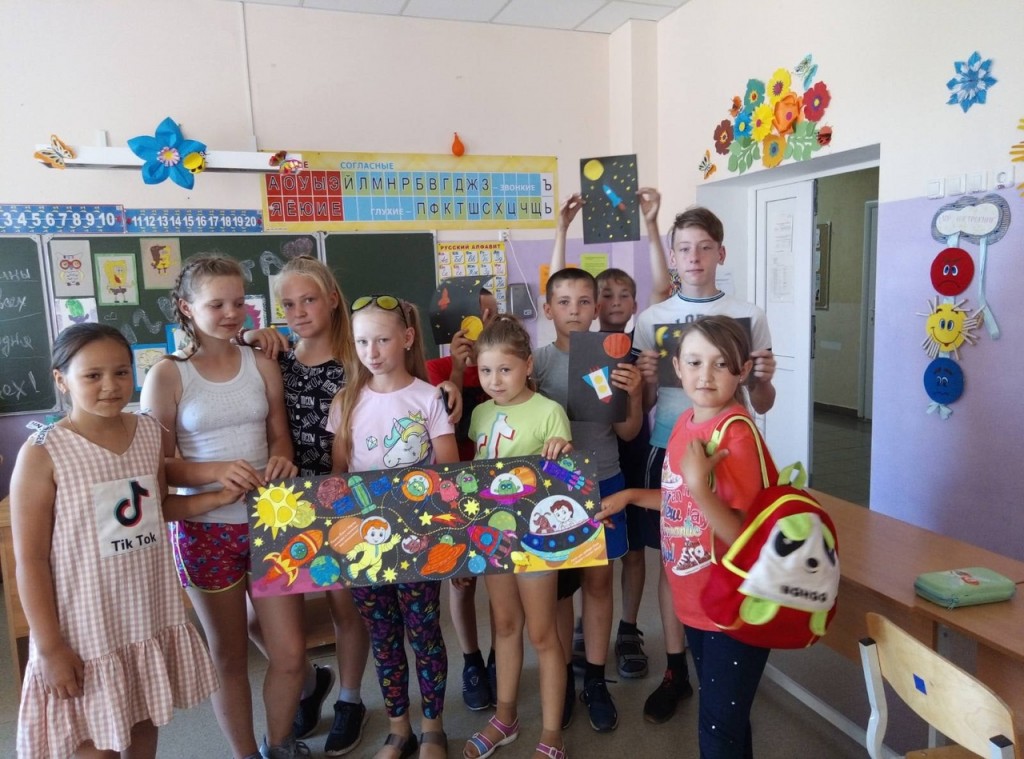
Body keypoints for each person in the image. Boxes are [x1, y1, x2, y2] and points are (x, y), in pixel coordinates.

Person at [11, 323, 219, 759]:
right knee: (96, 740)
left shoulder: (148, 432)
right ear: (61, 379)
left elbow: (157, 506)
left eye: (121, 372)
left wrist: (219, 497)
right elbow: (30, 559)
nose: (110, 386)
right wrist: (49, 646)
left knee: (142, 723)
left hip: (143, 612)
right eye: (93, 375)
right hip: (86, 625)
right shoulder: (43, 451)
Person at [141, 255, 305, 759]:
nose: (232, 313)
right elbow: (158, 466)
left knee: (291, 653)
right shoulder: (167, 375)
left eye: (239, 303)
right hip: (204, 529)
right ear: (186, 308)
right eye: (217, 304)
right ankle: (246, 754)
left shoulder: (261, 363)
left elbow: (279, 436)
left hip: (269, 523)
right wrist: (215, 472)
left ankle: (280, 744)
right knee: (229, 658)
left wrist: (281, 460)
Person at [596, 315, 773, 759]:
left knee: (717, 732)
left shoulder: (735, 435)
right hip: (693, 599)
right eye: (694, 362)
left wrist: (698, 484)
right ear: (677, 367)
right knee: (725, 722)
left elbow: (742, 534)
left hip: (733, 607)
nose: (705, 375)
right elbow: (679, 498)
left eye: (720, 364)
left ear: (742, 371)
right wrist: (631, 496)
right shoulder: (685, 424)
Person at [631, 206, 777, 724]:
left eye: (704, 247)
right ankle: (677, 668)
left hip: (725, 449)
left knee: (726, 546)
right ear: (672, 257)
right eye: (684, 248)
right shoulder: (650, 319)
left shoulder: (747, 314)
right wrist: (646, 381)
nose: (694, 257)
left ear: (721, 253)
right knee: (675, 558)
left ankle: (730, 645)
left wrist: (762, 379)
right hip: (669, 444)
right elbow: (646, 401)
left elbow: (763, 401)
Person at [240, 256, 371, 756]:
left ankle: (350, 698)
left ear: (333, 299)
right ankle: (312, 679)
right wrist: (248, 336)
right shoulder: (274, 359)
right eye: (288, 304)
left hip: (343, 494)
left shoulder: (359, 358)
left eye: (309, 300)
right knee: (260, 618)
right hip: (284, 499)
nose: (298, 312)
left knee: (345, 607)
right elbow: (221, 348)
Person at [551, 189, 674, 683]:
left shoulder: (637, 340)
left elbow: (663, 290)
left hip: (627, 451)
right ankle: (587, 629)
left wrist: (652, 225)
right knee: (584, 562)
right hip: (583, 456)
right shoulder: (574, 347)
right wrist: (562, 230)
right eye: (605, 295)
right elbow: (559, 288)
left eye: (623, 295)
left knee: (631, 548)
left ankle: (626, 628)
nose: (613, 302)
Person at [329, 295, 458, 759]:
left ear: (406, 338)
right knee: (383, 638)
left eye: (382, 340)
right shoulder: (346, 401)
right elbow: (338, 479)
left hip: (418, 541)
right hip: (366, 545)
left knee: (424, 633)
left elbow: (448, 475)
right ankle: (398, 727)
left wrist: (454, 548)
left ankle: (433, 727)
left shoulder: (428, 397)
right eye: (362, 341)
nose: (372, 351)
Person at [532, 267, 643, 733]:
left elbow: (629, 432)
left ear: (596, 309)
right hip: (554, 490)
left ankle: (595, 679)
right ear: (548, 309)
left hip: (604, 482)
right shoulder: (536, 363)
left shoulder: (612, 359)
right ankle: (561, 679)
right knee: (560, 590)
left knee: (599, 584)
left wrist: (632, 394)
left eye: (583, 302)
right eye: (564, 302)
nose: (574, 311)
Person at [463, 315, 573, 759]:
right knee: (505, 626)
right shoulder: (480, 414)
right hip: (493, 539)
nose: (495, 380)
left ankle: (552, 733)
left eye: (505, 369)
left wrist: (561, 452)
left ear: (528, 365)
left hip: (535, 540)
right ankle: (504, 717)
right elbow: (473, 480)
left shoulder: (549, 412)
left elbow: (563, 473)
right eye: (486, 370)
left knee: (543, 634)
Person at [425, 287, 499, 712]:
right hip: (455, 489)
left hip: (497, 487)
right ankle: (471, 660)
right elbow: (444, 423)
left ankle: (498, 656)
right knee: (462, 582)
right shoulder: (435, 369)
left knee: (501, 582)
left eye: (491, 315)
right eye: (476, 315)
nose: (481, 323)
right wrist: (456, 365)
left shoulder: (502, 368)